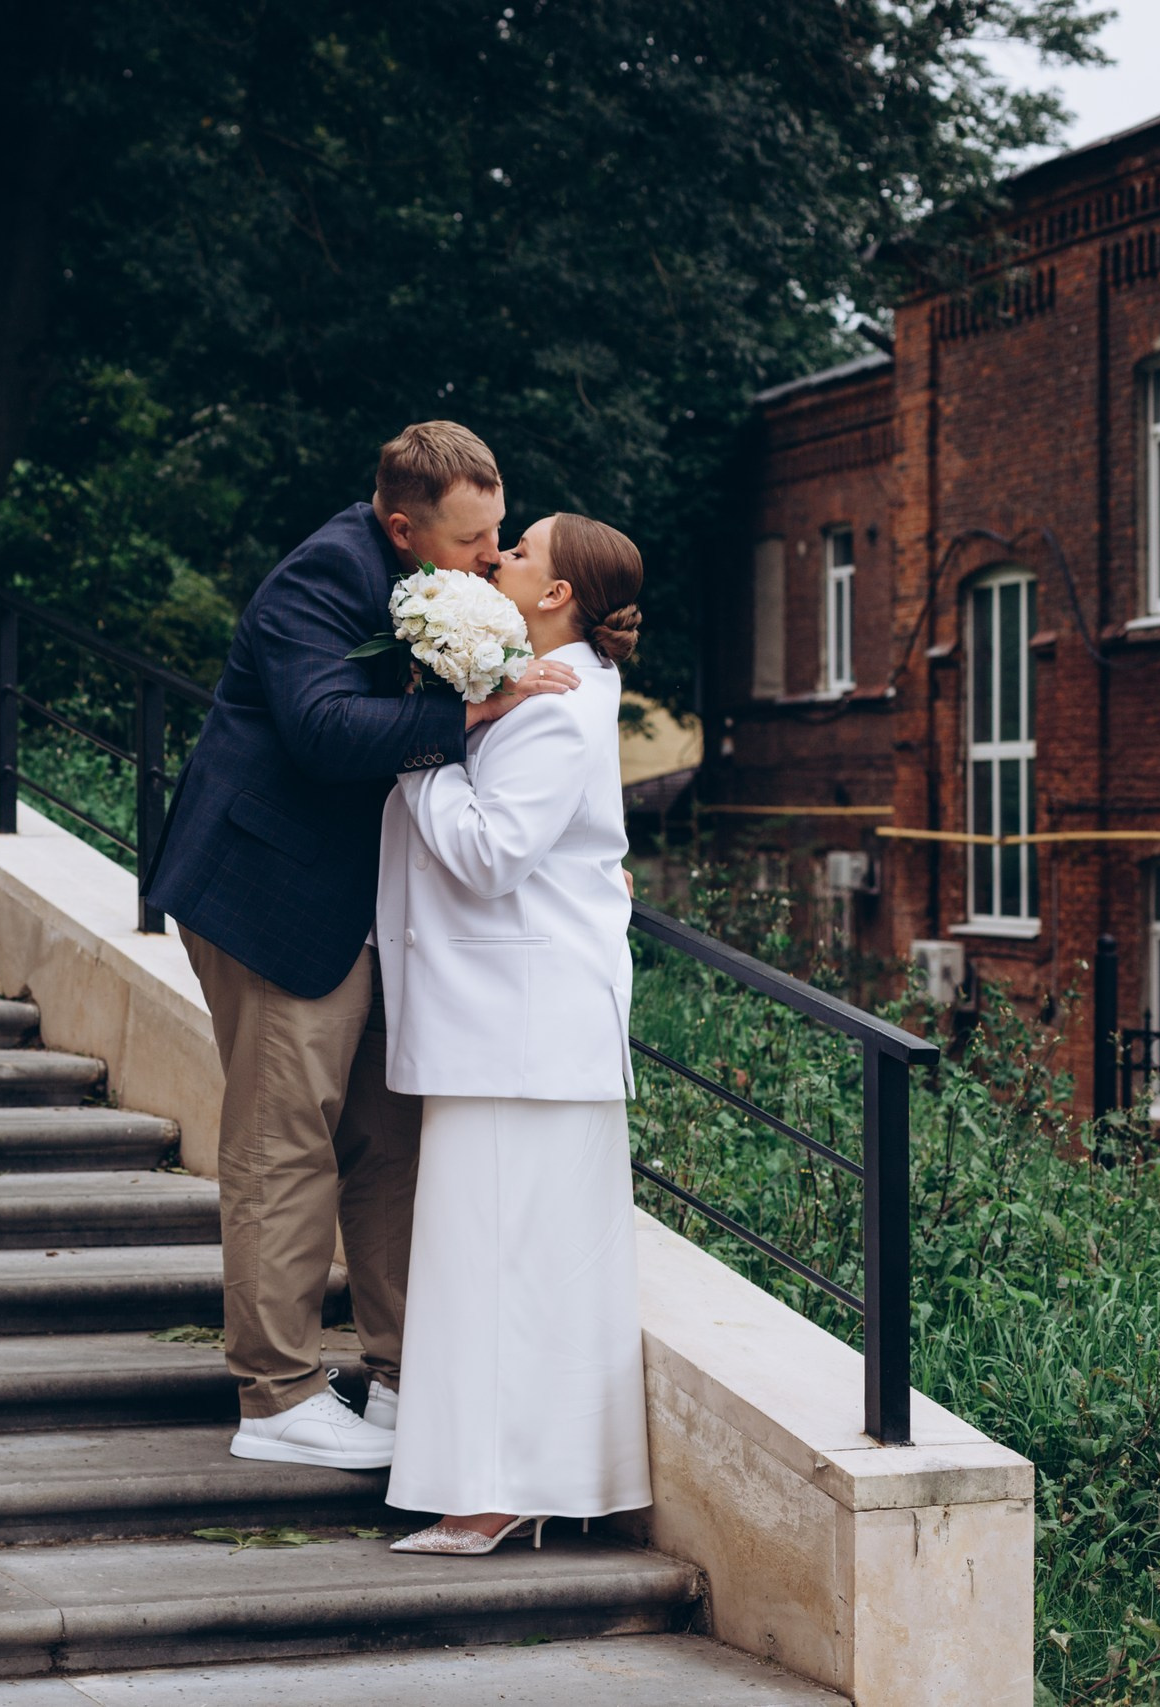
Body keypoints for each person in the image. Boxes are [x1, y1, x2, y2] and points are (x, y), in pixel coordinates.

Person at [141, 423, 580, 1470]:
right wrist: (471, 712)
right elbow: (324, 729)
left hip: (379, 908)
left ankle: (399, 1380)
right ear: (399, 526)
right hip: (269, 894)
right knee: (283, 1139)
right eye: (471, 540)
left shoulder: (444, 576)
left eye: (499, 531)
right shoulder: (321, 578)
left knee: (391, 1140)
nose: (490, 555)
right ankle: (279, 1395)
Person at [373, 510, 654, 1550]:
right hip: (525, 1029)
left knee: (490, 1267)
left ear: (556, 595)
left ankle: (492, 1494)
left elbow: (490, 856)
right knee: (517, 1268)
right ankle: (523, 1483)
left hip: (517, 1033)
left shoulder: (556, 705)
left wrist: (418, 755)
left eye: (521, 550)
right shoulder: (553, 692)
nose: (497, 555)